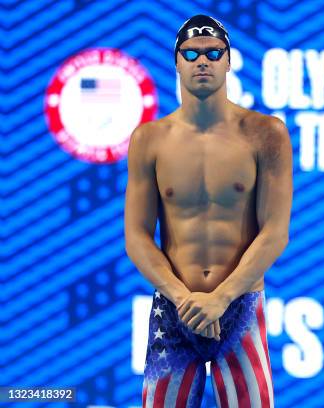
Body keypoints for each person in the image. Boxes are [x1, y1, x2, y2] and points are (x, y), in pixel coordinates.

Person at [124, 14, 292, 408]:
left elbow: (275, 232)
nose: (203, 60)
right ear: (177, 61)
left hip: (241, 306)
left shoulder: (265, 133)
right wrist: (184, 298)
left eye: (214, 52)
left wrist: (222, 297)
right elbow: (137, 236)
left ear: (229, 61)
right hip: (173, 309)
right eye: (192, 53)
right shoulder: (149, 140)